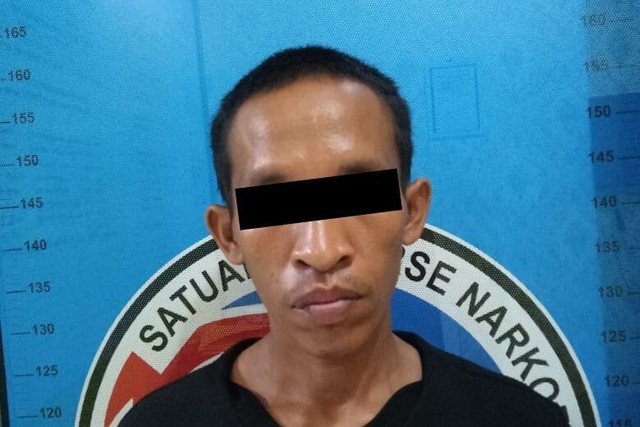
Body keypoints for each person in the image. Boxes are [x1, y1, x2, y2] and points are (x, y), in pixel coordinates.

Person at [120, 46, 568, 426]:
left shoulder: (518, 419)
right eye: (275, 205)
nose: (321, 250)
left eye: (357, 196)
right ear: (228, 235)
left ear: (412, 211)